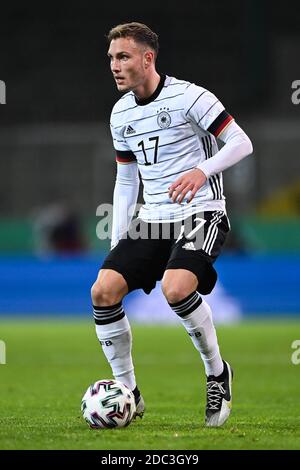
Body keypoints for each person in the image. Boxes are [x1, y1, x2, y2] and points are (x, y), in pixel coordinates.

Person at [91, 22, 253, 427]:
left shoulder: (190, 97)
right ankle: (129, 391)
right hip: (153, 220)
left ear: (148, 58)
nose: (114, 65)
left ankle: (218, 372)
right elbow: (126, 180)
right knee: (103, 291)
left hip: (202, 210)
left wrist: (201, 170)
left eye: (123, 56)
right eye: (111, 57)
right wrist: (116, 243)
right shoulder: (120, 113)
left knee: (176, 287)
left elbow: (241, 142)